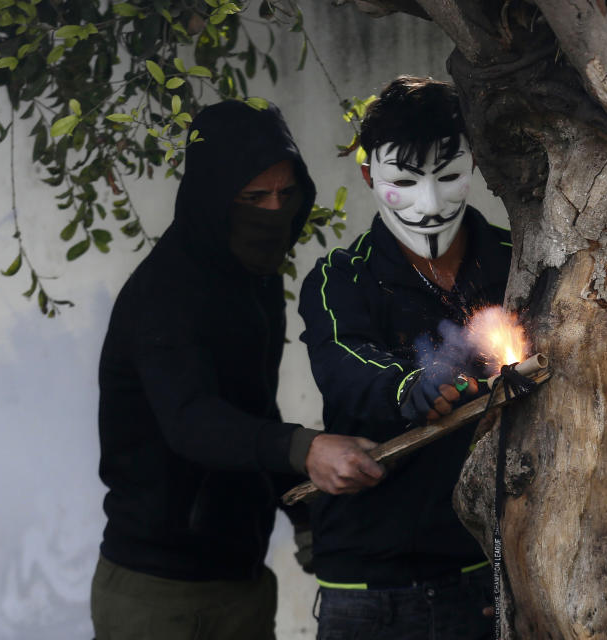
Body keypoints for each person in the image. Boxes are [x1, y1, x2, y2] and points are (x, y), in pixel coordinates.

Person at [92, 100, 384, 640]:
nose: (273, 211)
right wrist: (307, 449)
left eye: (285, 194)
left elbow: (250, 413)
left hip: (243, 583)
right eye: (254, 198)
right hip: (157, 595)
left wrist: (302, 508)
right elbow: (191, 420)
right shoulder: (164, 293)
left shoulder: (258, 280)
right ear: (213, 198)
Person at [298, 76, 511, 640]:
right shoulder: (340, 279)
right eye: (404, 181)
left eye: (448, 176)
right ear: (369, 175)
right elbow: (343, 364)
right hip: (370, 586)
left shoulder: (521, 259)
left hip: (484, 572)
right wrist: (408, 386)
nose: (431, 203)